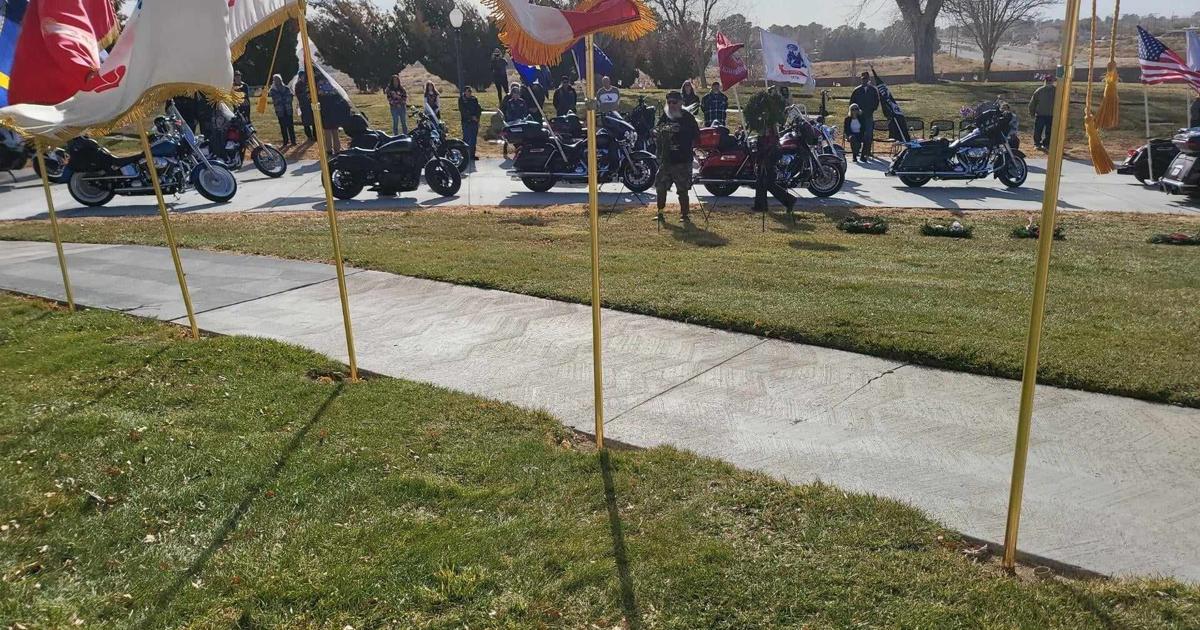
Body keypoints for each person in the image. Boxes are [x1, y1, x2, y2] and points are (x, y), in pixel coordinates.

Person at [654, 90, 700, 222]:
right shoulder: (666, 115)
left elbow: (696, 135)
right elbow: (658, 129)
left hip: (682, 160)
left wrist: (680, 131)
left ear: (680, 103)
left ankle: (684, 215)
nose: (671, 105)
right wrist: (657, 133)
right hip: (667, 159)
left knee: (682, 189)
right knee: (660, 186)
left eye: (674, 102)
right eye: (669, 102)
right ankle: (660, 212)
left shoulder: (687, 117)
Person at [316, 73, 349, 154]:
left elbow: (319, 94)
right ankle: (337, 149)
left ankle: (329, 150)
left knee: (328, 131)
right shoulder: (333, 84)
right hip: (334, 109)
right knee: (334, 131)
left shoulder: (319, 85)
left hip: (325, 109)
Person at [849, 71, 879, 159]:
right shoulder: (857, 90)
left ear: (869, 79)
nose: (864, 81)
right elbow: (852, 103)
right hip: (858, 117)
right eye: (863, 79)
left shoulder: (873, 90)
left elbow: (876, 101)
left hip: (869, 116)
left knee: (868, 135)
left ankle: (867, 152)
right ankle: (857, 151)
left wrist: (872, 110)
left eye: (866, 79)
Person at [1028, 74, 1055, 151]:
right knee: (1038, 130)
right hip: (1040, 114)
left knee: (1049, 131)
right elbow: (1033, 102)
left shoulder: (1056, 91)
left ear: (1053, 81)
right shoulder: (1039, 91)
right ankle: (1037, 144)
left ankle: (1046, 144)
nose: (1049, 82)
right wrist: (1032, 112)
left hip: (1051, 115)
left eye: (1050, 80)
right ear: (1045, 81)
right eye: (1047, 80)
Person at [500, 85, 528, 158]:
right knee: (508, 136)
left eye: (517, 93)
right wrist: (512, 119)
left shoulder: (522, 102)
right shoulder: (509, 102)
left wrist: (522, 119)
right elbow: (508, 112)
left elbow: (525, 112)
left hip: (520, 121)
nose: (516, 95)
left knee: (518, 138)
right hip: (511, 122)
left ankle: (518, 151)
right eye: (514, 93)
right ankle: (505, 152)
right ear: (512, 94)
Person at [269, 74, 296, 147]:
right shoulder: (273, 90)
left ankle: (293, 141)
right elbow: (276, 99)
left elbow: (290, 97)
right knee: (283, 126)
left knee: (290, 126)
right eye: (275, 80)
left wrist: (283, 99)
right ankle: (285, 141)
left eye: (278, 79)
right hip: (280, 111)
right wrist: (284, 99)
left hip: (288, 109)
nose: (277, 81)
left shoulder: (287, 88)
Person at [459, 86, 482, 161]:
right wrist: (471, 117)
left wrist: (477, 117)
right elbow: (463, 111)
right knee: (466, 139)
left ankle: (472, 155)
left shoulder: (474, 99)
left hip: (474, 122)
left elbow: (478, 109)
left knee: (473, 139)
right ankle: (465, 155)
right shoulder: (461, 100)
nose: (469, 93)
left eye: (470, 91)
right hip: (466, 122)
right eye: (468, 91)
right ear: (465, 92)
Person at [295, 71, 316, 141]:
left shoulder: (309, 83)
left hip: (311, 105)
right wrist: (305, 94)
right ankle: (309, 136)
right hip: (304, 105)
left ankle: (315, 135)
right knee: (306, 122)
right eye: (302, 76)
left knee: (314, 120)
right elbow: (298, 95)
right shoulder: (298, 85)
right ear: (300, 77)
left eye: (304, 75)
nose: (303, 77)